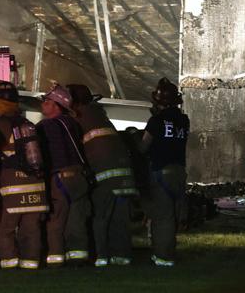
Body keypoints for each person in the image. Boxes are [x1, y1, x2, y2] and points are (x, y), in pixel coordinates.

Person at [68, 83, 137, 267]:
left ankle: (101, 256)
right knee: (119, 218)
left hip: (104, 177)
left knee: (100, 217)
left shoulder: (79, 118)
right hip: (124, 177)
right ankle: (122, 256)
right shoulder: (99, 115)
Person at [0, 80, 48, 270]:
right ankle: (31, 263)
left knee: (6, 228)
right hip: (36, 184)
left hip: (12, 185)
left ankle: (9, 262)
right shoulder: (28, 124)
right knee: (31, 228)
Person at [36, 83, 92, 266]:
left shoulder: (45, 126)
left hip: (59, 180)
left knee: (56, 221)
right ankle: (78, 257)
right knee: (76, 220)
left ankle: (56, 258)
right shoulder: (73, 124)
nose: (43, 103)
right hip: (79, 177)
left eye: (46, 101)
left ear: (56, 105)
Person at [141, 77, 189, 268]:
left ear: (159, 102)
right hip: (179, 172)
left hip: (161, 172)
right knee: (172, 215)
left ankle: (163, 257)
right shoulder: (184, 120)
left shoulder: (156, 120)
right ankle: (168, 251)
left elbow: (143, 147)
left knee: (162, 216)